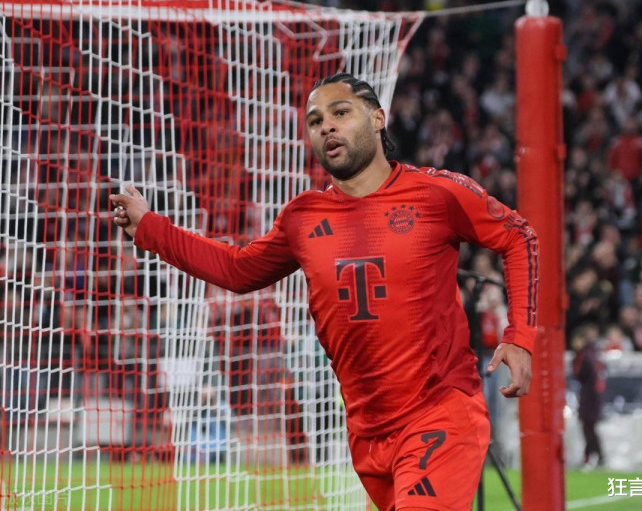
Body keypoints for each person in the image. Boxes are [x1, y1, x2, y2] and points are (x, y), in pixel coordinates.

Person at [111, 73, 538, 511]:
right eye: (315, 121)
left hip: (440, 412)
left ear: (377, 119)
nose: (326, 126)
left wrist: (520, 335)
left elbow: (518, 235)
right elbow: (237, 270)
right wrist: (150, 228)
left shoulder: (436, 194)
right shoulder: (302, 217)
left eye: (340, 112)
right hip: (367, 432)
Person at [571, 326, 605, 470]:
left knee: (588, 428)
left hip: (589, 397)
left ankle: (595, 456)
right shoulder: (591, 353)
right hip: (590, 396)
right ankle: (593, 456)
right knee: (589, 428)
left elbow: (579, 374)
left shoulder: (585, 356)